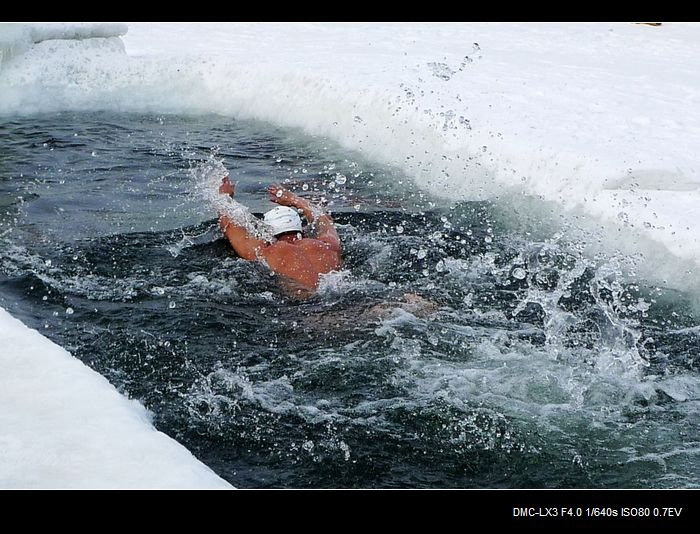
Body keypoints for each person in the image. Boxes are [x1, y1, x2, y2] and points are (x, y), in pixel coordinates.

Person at [217, 176, 342, 296]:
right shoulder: (329, 246)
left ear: (270, 235)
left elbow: (229, 226)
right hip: (340, 297)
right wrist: (294, 200)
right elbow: (324, 220)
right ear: (301, 230)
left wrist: (225, 196)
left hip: (304, 304)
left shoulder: (265, 252)